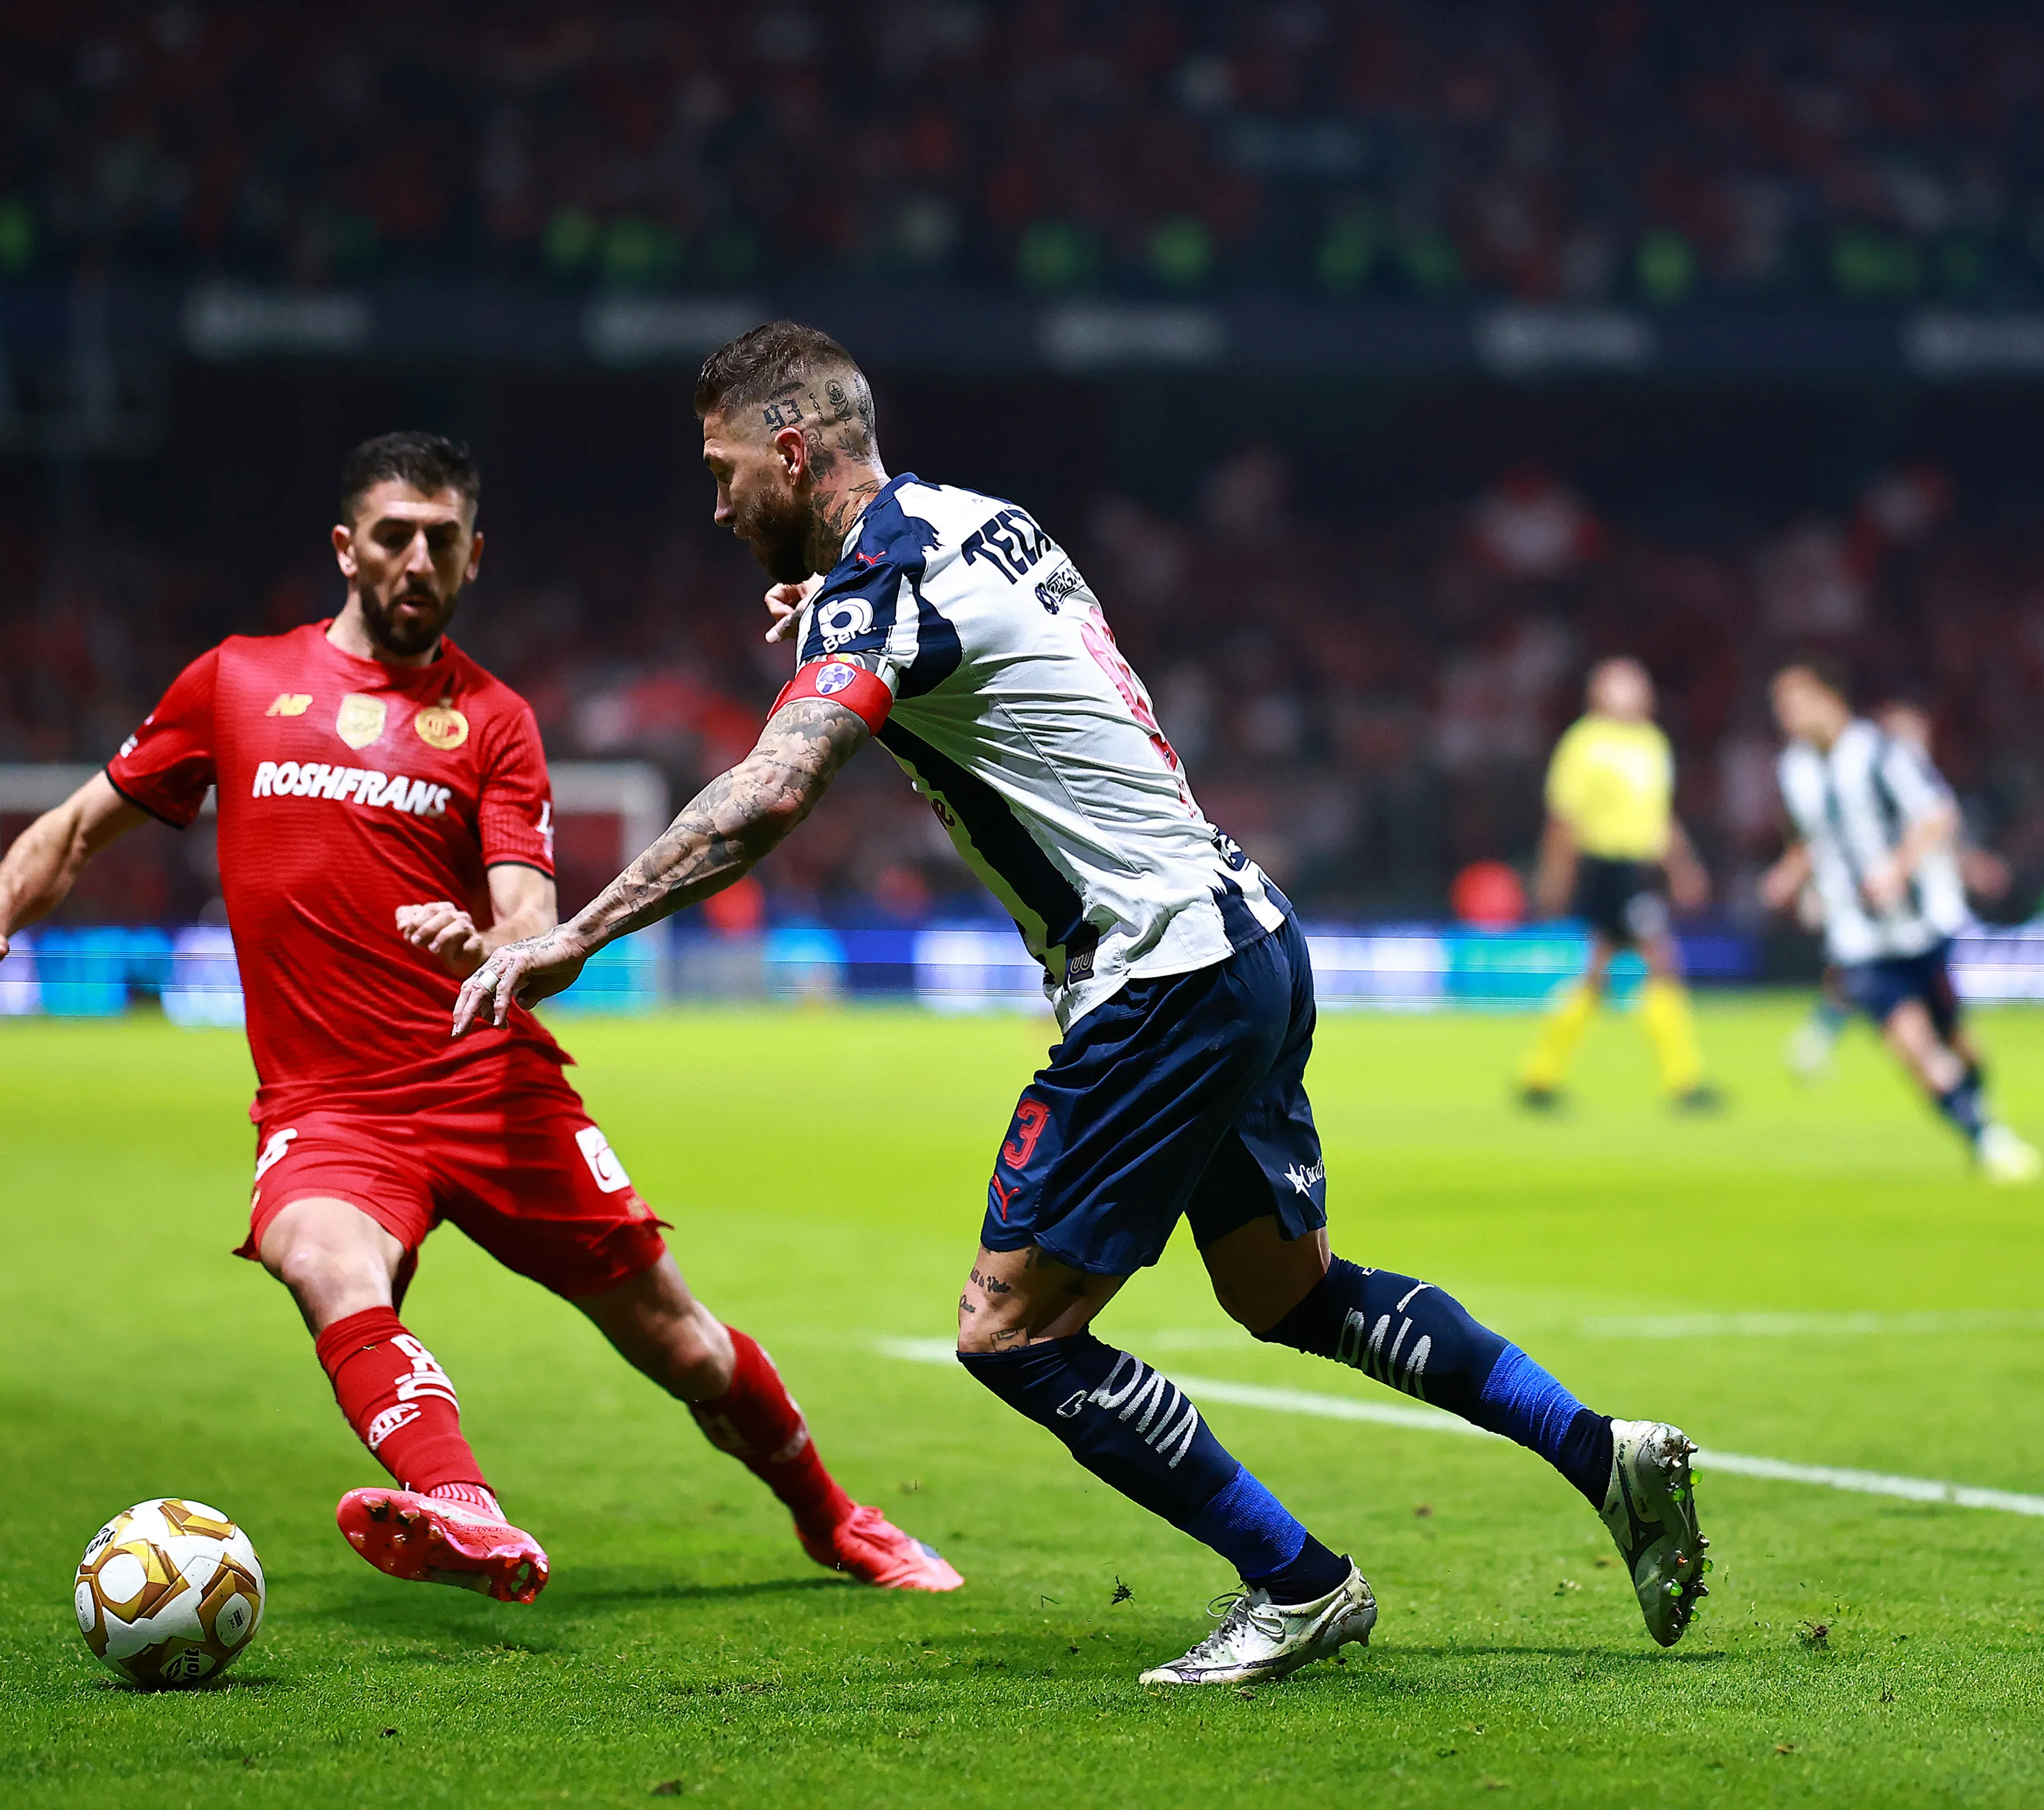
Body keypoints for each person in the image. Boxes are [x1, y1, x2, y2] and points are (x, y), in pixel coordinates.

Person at [456, 322, 1707, 1685]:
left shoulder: (879, 580)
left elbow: (767, 792)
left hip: (1155, 974)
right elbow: (958, 644)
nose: (714, 504)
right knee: (1286, 1290)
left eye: (723, 468)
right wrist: (832, 610)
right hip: (1242, 933)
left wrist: (577, 929)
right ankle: (1601, 1452)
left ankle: (1297, 1583)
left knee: (1011, 1332)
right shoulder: (981, 520)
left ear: (792, 447)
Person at [0, 431, 957, 1605]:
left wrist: (493, 943)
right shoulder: (236, 683)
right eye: (394, 535)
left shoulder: (496, 721)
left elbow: (532, 915)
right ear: (345, 549)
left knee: (679, 1338)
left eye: (443, 539)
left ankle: (836, 1520)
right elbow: (72, 826)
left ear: (476, 555)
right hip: (331, 1105)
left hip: (490, 1083)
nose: (418, 558)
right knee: (319, 1254)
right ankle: (463, 1505)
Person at [1758, 663, 2038, 1182]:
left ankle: (1980, 1118)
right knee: (1911, 1043)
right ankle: (1985, 1140)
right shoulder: (1793, 770)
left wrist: (1898, 867)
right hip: (1859, 936)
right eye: (1782, 709)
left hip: (1922, 923)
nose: (1789, 718)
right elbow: (1811, 837)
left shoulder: (1883, 753)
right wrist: (1789, 874)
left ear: (1831, 698)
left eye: (1797, 704)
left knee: (1956, 1042)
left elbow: (1938, 814)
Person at [1517, 658, 1717, 1112]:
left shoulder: (1652, 743)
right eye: (1620, 684)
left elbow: (1660, 816)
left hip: (1638, 868)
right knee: (1662, 962)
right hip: (1608, 866)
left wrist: (1683, 867)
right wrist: (1554, 878)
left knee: (1598, 974)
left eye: (1638, 683)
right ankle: (1685, 1081)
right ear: (1598, 693)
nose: (1634, 692)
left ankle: (1539, 1074)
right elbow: (1564, 819)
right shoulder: (1586, 743)